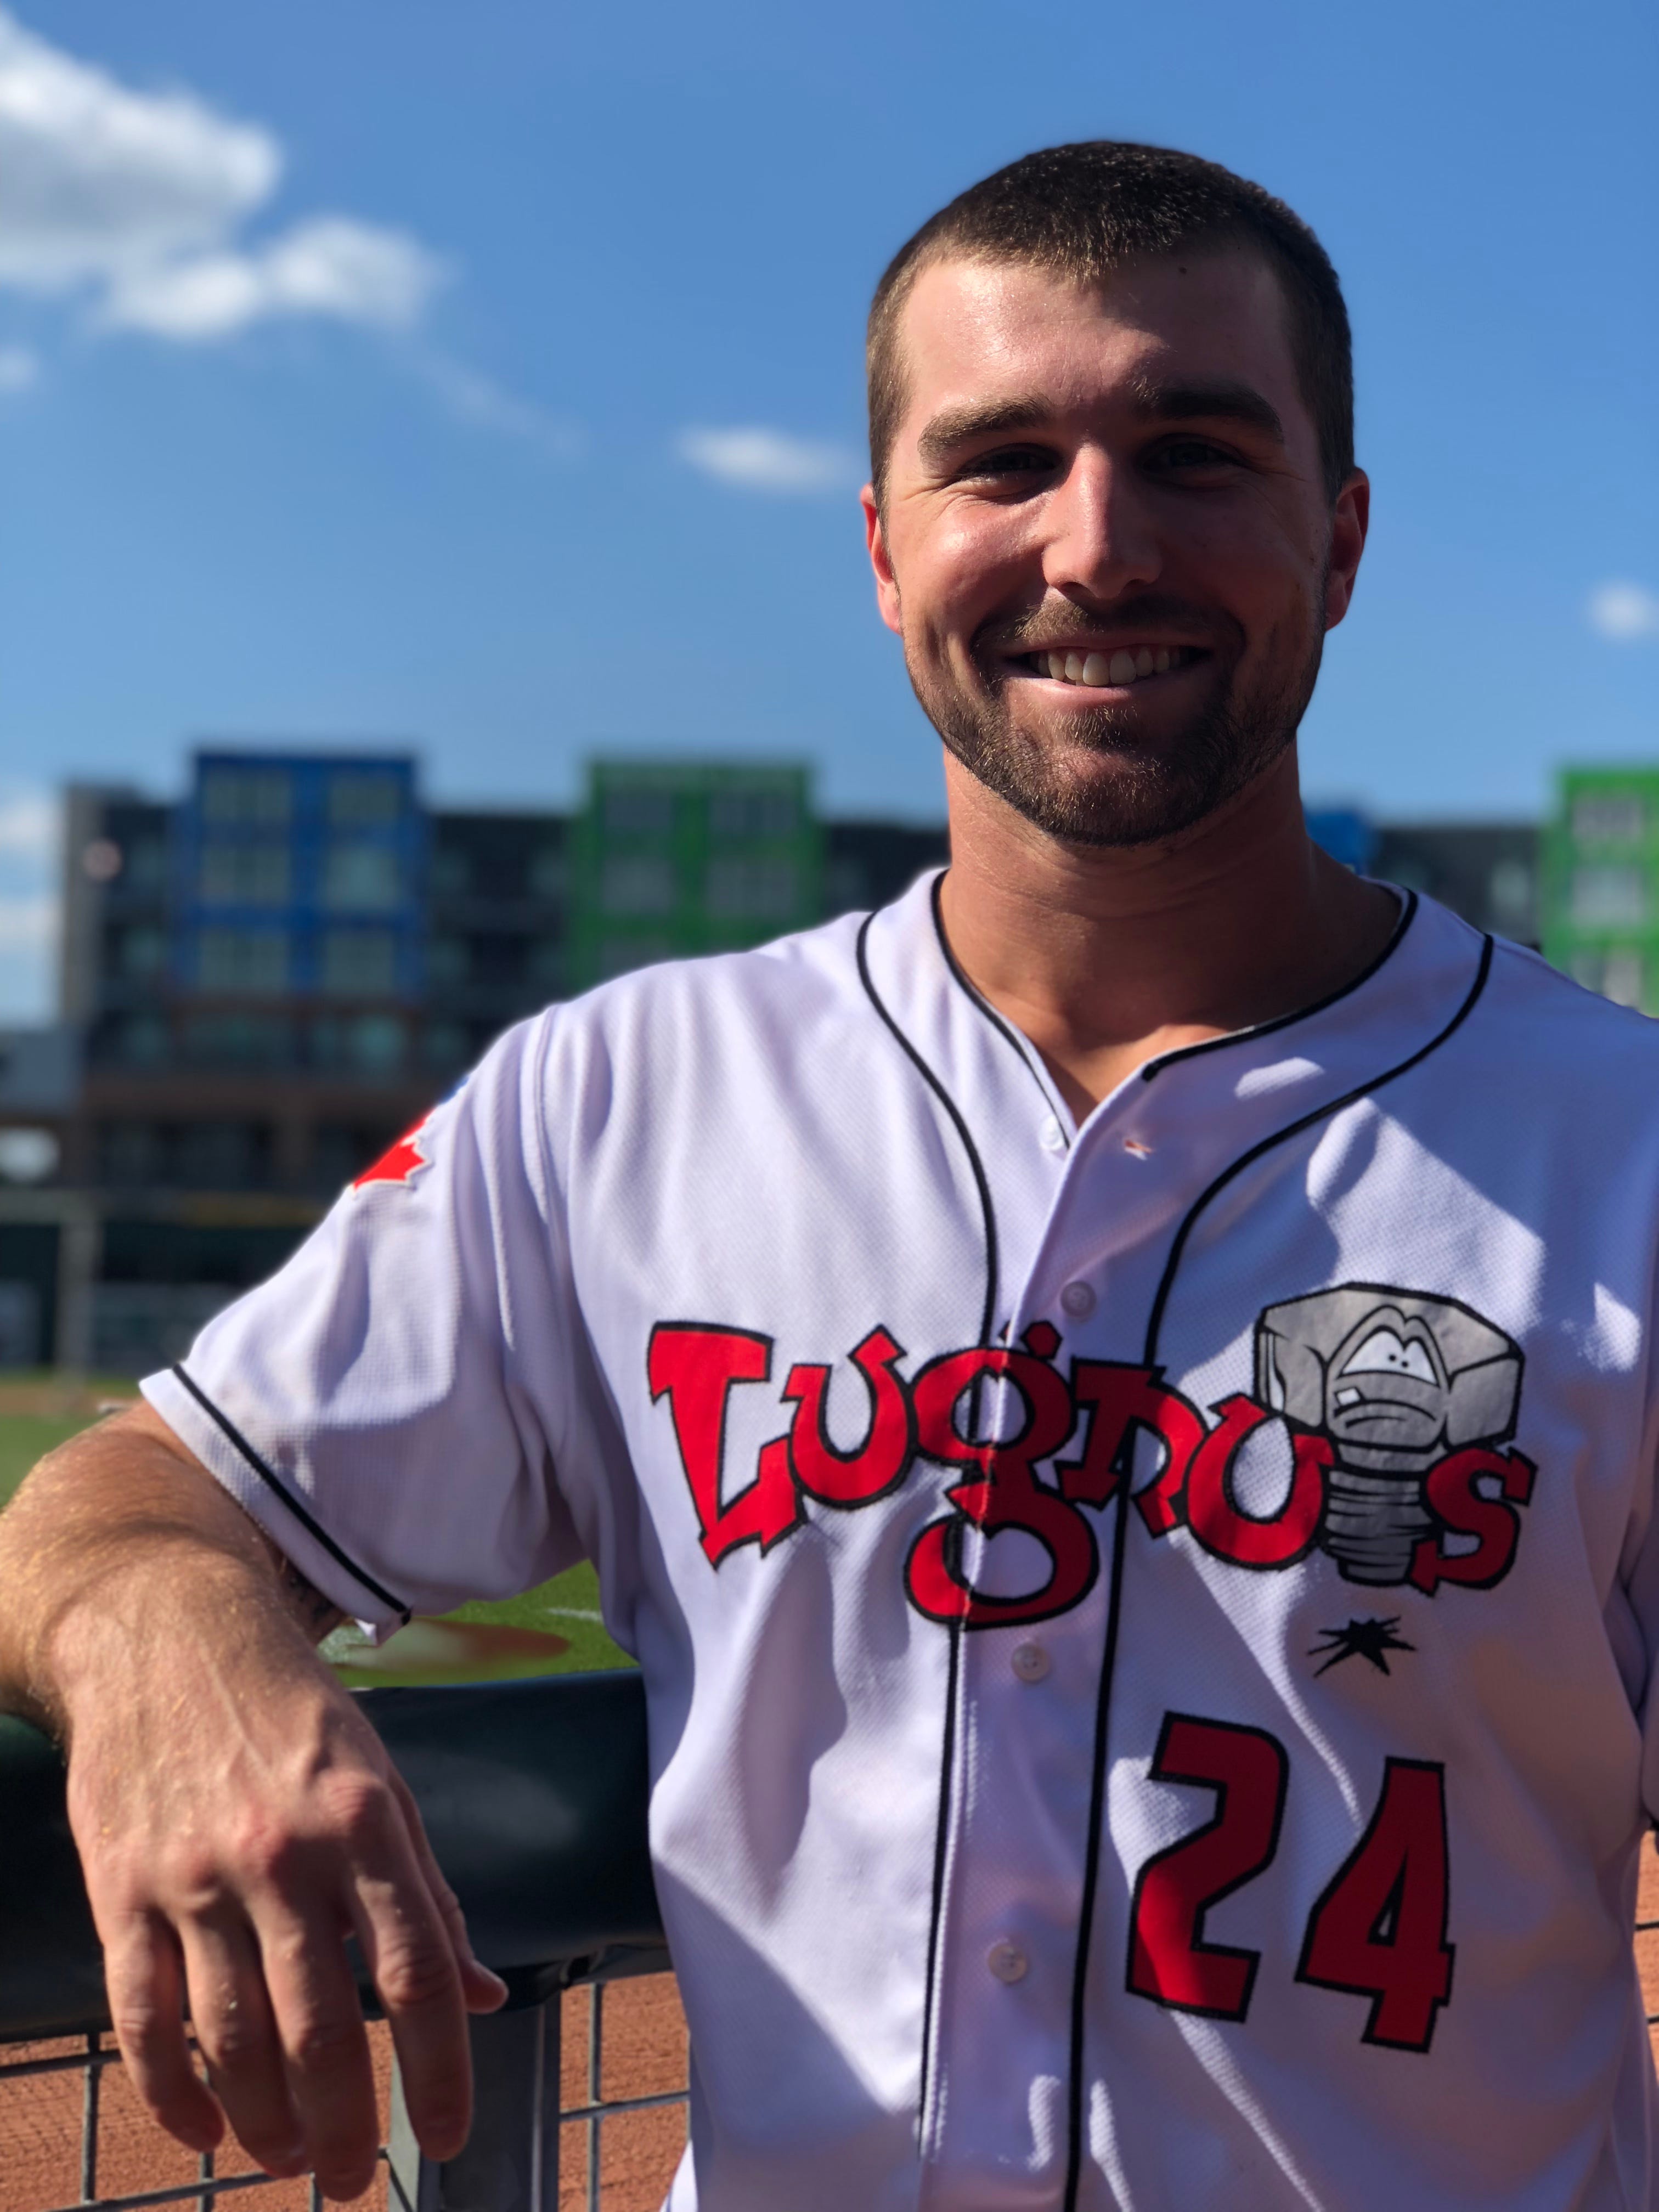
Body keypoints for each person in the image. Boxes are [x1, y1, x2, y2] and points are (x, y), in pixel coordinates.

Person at [3, 139, 1657, 2212]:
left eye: (1196, 453)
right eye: (1003, 462)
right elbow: (135, 1488)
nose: (1097, 545)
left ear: (1339, 538)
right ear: (885, 551)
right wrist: (169, 1651)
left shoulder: (1621, 1146)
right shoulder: (617, 1097)